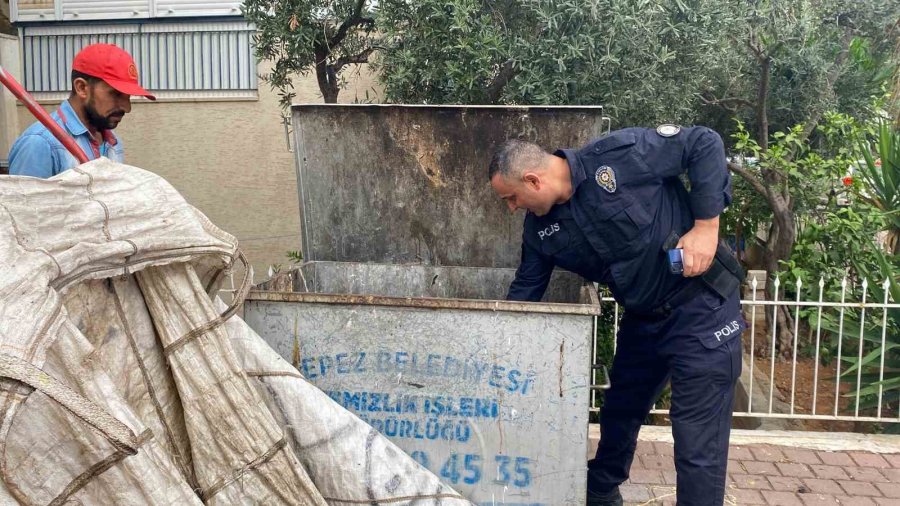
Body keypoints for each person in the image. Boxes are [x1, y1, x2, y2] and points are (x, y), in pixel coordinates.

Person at [488, 125, 745, 506]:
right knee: (620, 411)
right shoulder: (540, 230)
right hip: (644, 319)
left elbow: (704, 142)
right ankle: (601, 490)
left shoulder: (621, 156)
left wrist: (707, 227)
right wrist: (491, 347)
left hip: (701, 310)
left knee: (696, 441)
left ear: (533, 180)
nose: (512, 208)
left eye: (512, 198)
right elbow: (526, 290)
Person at [8, 43, 155, 178]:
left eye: (127, 97)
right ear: (82, 88)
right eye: (115, 94)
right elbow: (23, 206)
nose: (127, 108)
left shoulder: (113, 143)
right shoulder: (39, 144)